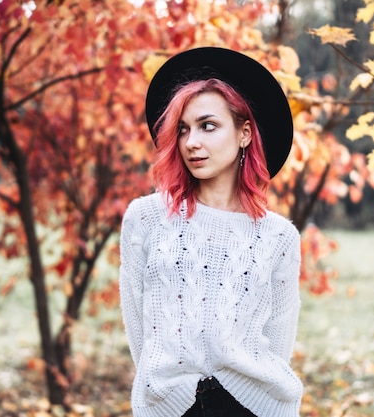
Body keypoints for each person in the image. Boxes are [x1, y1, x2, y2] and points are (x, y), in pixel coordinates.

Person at [119, 47, 303, 417]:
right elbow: (140, 331)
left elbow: (279, 342)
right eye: (183, 129)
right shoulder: (146, 219)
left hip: (253, 406)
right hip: (171, 406)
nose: (191, 142)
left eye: (208, 126)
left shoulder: (278, 237)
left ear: (245, 134)